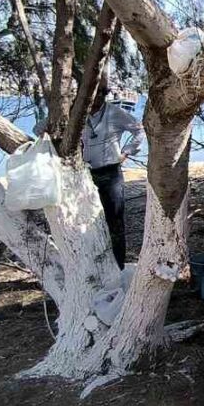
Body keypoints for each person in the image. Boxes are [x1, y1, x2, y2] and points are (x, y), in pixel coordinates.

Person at [81, 78, 144, 267]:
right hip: (85, 174)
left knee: (115, 220)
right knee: (88, 220)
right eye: (92, 93)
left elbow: (139, 131)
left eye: (100, 93)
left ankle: (118, 264)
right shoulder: (78, 114)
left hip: (110, 174)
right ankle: (95, 264)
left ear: (104, 94)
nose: (95, 98)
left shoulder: (115, 113)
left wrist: (126, 153)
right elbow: (44, 127)